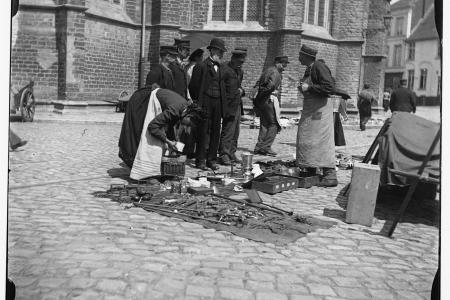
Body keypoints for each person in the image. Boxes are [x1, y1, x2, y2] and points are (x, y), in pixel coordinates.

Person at [118, 87, 204, 174]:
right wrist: (167, 141)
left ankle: (147, 169)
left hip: (149, 100)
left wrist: (171, 142)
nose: (185, 126)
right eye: (188, 124)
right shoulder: (175, 109)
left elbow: (169, 124)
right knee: (140, 135)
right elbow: (152, 126)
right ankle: (141, 171)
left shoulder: (185, 108)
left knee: (157, 139)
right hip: (141, 102)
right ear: (189, 116)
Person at [296, 44, 337, 187]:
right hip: (311, 108)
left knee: (321, 140)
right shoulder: (310, 69)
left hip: (320, 109)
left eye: (300, 55)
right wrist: (304, 88)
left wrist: (310, 87)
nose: (298, 57)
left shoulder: (319, 66)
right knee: (308, 138)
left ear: (307, 56)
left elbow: (329, 87)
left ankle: (330, 175)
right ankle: (311, 169)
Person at [188, 37, 227, 170]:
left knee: (216, 130)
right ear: (213, 51)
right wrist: (198, 101)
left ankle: (212, 159)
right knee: (202, 131)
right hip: (205, 101)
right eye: (219, 51)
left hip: (217, 102)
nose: (221, 54)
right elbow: (193, 86)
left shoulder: (221, 67)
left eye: (222, 52)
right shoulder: (201, 66)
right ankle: (200, 160)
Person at [253, 56, 288, 156]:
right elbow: (271, 86)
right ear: (277, 63)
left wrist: (259, 98)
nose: (284, 66)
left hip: (263, 100)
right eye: (283, 63)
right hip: (269, 99)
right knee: (274, 124)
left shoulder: (267, 70)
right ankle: (266, 147)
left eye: (285, 64)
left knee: (264, 124)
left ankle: (259, 147)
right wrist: (265, 94)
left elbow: (259, 83)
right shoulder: (276, 72)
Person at [218, 48, 247, 165]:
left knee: (236, 131)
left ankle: (231, 152)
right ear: (233, 59)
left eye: (242, 62)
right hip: (228, 105)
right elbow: (222, 88)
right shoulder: (225, 69)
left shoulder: (240, 71)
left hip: (237, 104)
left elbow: (239, 87)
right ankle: (224, 154)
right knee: (228, 130)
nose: (241, 64)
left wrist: (242, 91)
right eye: (239, 62)